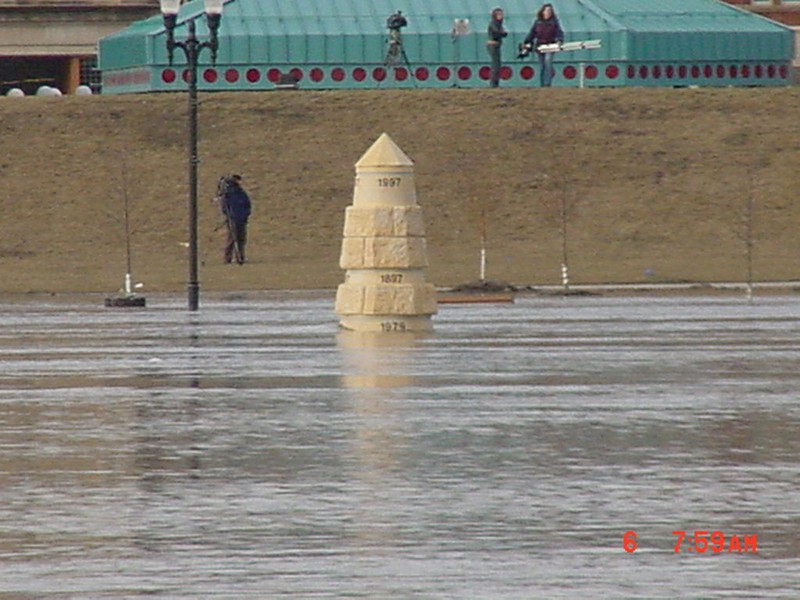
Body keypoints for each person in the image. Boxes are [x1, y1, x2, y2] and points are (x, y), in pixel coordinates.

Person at [523, 3, 565, 87]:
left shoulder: (554, 22)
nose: (548, 12)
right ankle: (542, 83)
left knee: (548, 62)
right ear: (543, 12)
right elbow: (532, 33)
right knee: (542, 66)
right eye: (546, 10)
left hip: (550, 46)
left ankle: (547, 83)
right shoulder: (538, 22)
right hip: (540, 46)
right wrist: (527, 42)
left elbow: (559, 32)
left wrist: (559, 40)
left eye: (550, 11)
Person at [217, 174, 251, 265]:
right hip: (233, 219)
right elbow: (225, 207)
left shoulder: (241, 192)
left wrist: (246, 214)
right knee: (232, 239)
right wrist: (229, 216)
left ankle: (240, 257)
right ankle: (228, 258)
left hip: (242, 219)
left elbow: (247, 205)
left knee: (241, 239)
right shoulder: (228, 194)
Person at [486, 7, 507, 88]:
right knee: (495, 65)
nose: (501, 16)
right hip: (493, 45)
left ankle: (495, 83)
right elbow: (497, 33)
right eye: (499, 14)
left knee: (497, 65)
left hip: (496, 44)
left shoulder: (498, 24)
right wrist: (502, 33)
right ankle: (493, 84)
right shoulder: (494, 23)